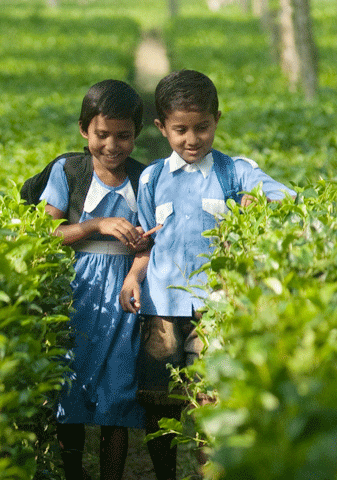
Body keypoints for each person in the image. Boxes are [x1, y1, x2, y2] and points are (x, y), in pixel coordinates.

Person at [118, 69, 295, 480]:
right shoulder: (152, 178)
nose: (192, 139)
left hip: (216, 309)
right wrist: (133, 277)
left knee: (211, 402)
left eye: (202, 128)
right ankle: (164, 474)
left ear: (217, 119)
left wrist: (260, 204)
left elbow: (288, 199)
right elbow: (147, 240)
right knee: (157, 402)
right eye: (180, 130)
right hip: (162, 307)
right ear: (162, 128)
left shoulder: (236, 172)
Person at [42, 79, 149, 480]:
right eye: (102, 134)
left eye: (123, 136)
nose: (112, 145)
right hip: (76, 291)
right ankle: (72, 471)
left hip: (123, 294)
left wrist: (136, 268)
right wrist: (96, 225)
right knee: (69, 391)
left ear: (137, 134)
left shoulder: (144, 179)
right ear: (84, 130)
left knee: (117, 395)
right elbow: (47, 232)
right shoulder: (68, 172)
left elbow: (149, 242)